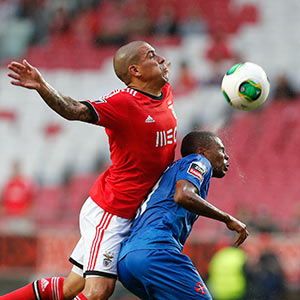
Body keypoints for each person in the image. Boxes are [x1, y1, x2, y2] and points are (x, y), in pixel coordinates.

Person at [3, 41, 177, 300]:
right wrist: (42, 86)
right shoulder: (123, 103)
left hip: (132, 211)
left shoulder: (164, 91)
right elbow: (74, 110)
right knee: (98, 292)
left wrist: (158, 69)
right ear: (135, 71)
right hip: (112, 211)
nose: (161, 58)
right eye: (152, 56)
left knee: (69, 289)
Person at [118, 131, 249, 300]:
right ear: (202, 152)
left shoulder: (173, 171)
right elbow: (183, 195)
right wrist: (227, 218)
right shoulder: (199, 161)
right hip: (156, 253)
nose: (226, 157)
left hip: (127, 261)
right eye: (221, 150)